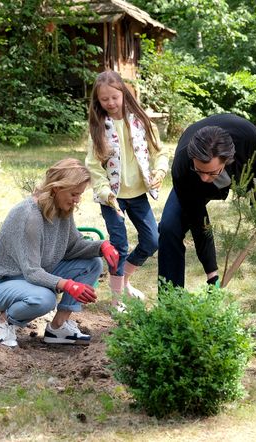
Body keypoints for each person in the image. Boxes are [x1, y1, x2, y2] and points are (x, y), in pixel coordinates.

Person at [157, 114, 256, 337]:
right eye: (200, 170)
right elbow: (198, 221)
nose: (204, 178)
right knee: (169, 228)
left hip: (250, 170)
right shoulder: (185, 167)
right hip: (191, 182)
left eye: (210, 172)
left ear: (227, 159)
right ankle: (171, 313)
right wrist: (212, 275)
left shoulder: (249, 137)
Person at [0, 158, 120, 347]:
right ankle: (3, 322)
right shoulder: (29, 216)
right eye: (73, 194)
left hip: (32, 278)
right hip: (2, 284)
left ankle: (58, 327)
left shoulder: (62, 209)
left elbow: (72, 247)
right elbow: (32, 271)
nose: (77, 200)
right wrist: (68, 285)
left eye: (79, 194)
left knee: (92, 263)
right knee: (44, 299)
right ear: (56, 188)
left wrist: (101, 247)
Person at [85, 70, 168, 308]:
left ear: (124, 93)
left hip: (138, 194)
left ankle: (125, 280)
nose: (110, 103)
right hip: (112, 198)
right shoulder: (99, 128)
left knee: (152, 241)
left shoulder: (141, 121)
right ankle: (117, 300)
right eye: (104, 99)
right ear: (98, 101)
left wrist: (160, 171)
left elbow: (159, 151)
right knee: (119, 245)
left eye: (114, 97)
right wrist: (105, 192)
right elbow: (93, 165)